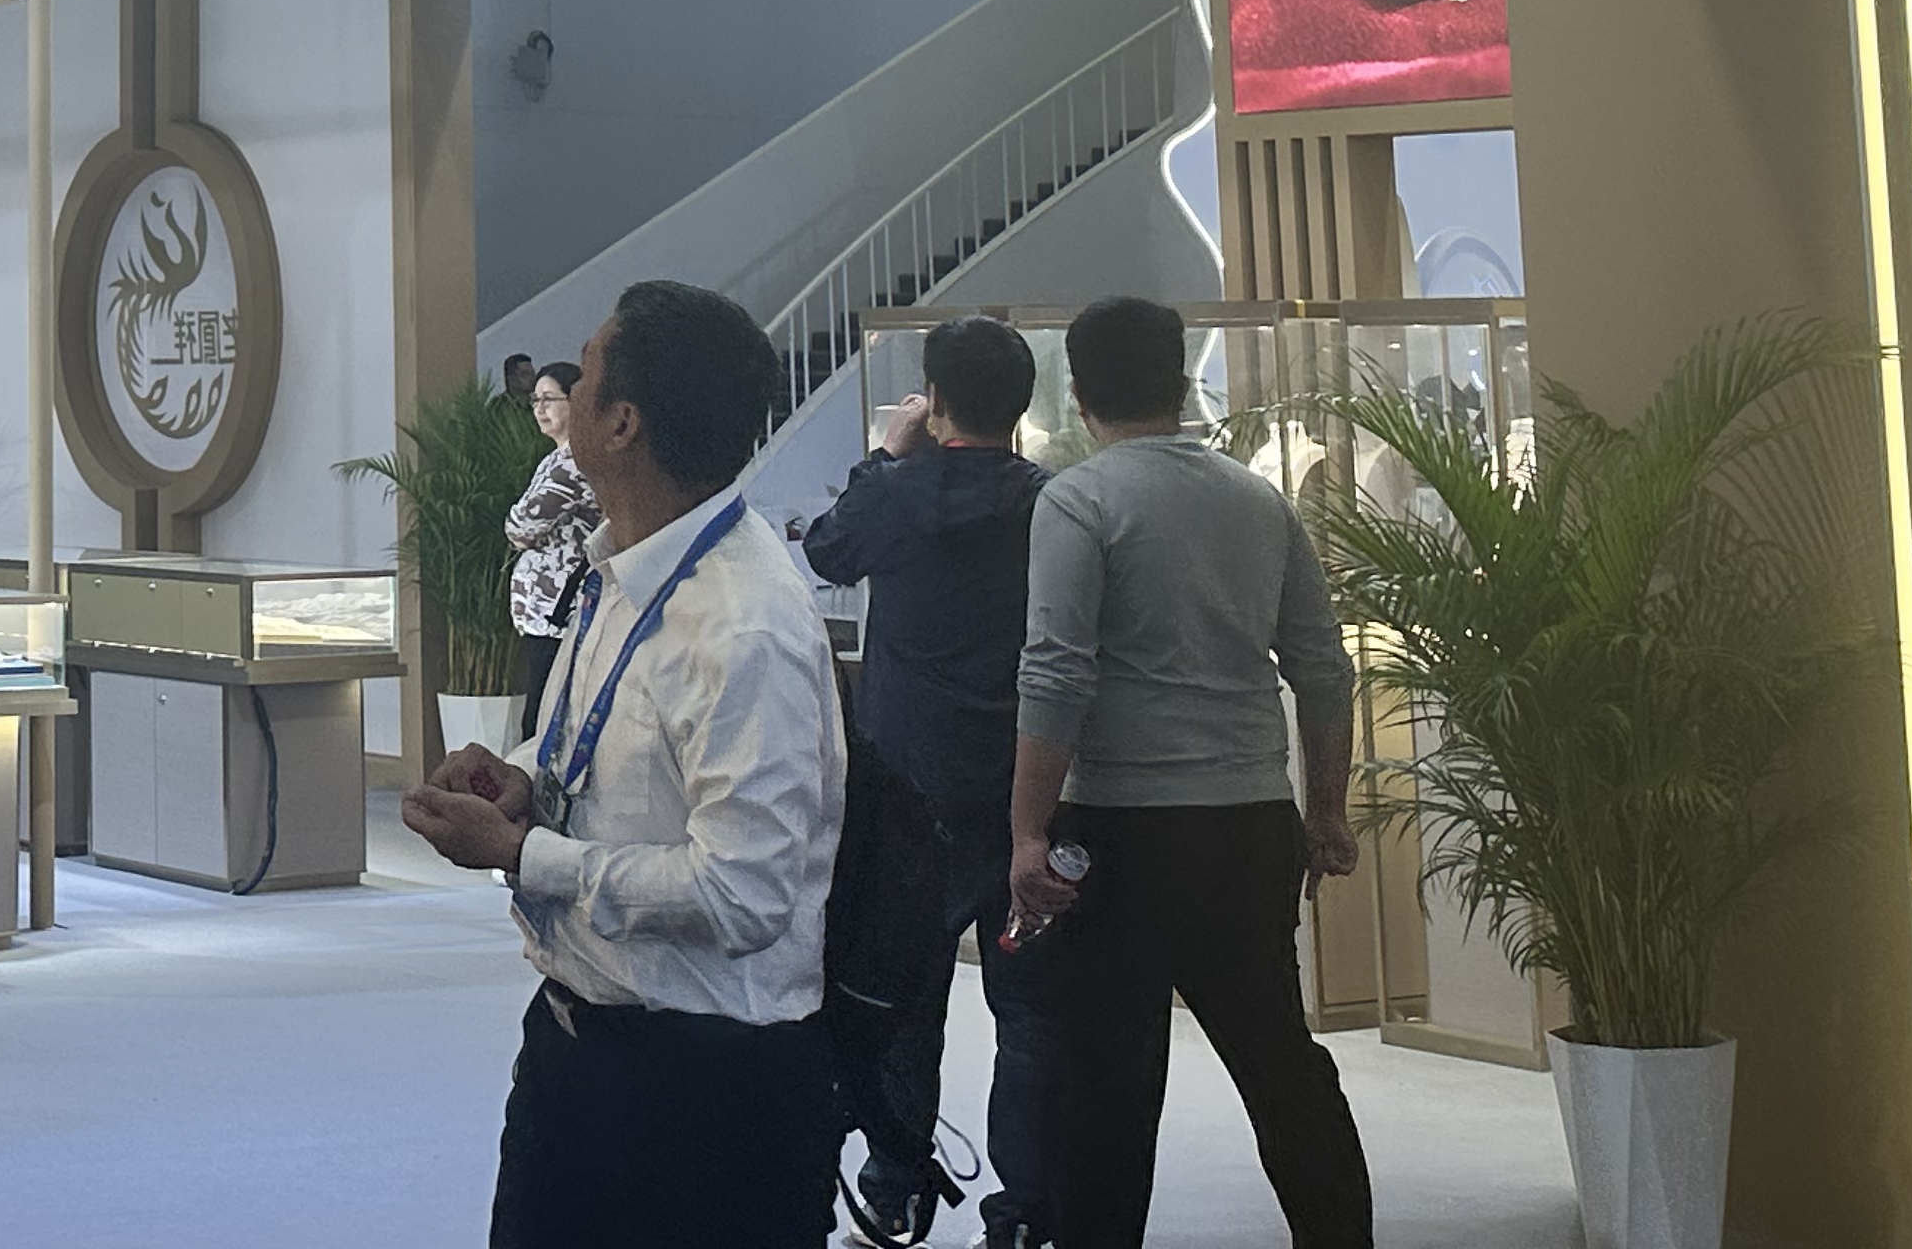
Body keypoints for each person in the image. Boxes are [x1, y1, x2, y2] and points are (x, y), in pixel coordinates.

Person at [404, 280, 846, 1249]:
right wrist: (524, 777)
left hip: (707, 1092)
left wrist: (523, 854)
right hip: (577, 1046)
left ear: (621, 423)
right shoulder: (622, 569)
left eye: (586, 375)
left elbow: (742, 893)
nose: (562, 395)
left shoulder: (744, 623)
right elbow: (619, 747)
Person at [1010, 296, 1369, 1249]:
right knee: (1281, 1064)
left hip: (1121, 829)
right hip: (1248, 825)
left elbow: (1055, 671)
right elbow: (1323, 668)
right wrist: (1326, 812)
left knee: (1108, 1085)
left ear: (1079, 393)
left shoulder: (1078, 501)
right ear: (1179, 384)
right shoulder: (1258, 501)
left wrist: (1027, 831)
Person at [804, 317, 1055, 1249]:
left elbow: (827, 552)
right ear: (1024, 402)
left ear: (935, 398)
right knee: (1031, 1012)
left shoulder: (896, 492)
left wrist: (884, 453)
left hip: (906, 790)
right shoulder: (1049, 501)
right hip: (1024, 784)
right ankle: (1026, 1211)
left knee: (901, 998)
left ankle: (898, 1183)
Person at [503, 360, 601, 723]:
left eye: (549, 399)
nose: (540, 408)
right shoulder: (557, 458)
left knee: (542, 718)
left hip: (560, 609)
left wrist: (517, 524)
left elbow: (520, 526)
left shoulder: (574, 463)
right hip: (544, 613)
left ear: (576, 402)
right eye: (535, 400)